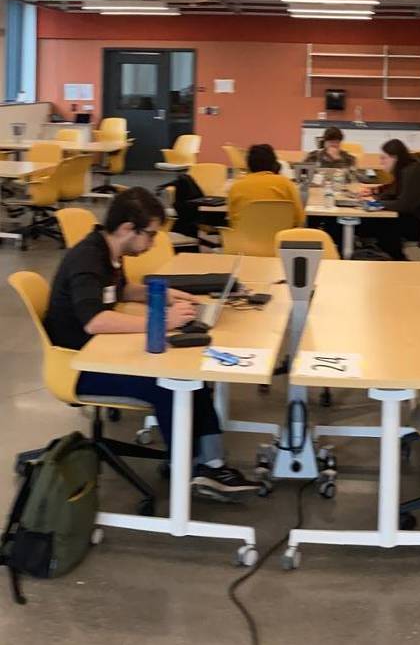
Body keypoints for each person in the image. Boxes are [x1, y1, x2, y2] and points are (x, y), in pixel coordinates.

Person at [46, 188, 264, 498]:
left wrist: (167, 296)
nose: (152, 243)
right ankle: (186, 467)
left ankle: (212, 464)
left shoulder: (108, 252)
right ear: (126, 229)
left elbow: (121, 291)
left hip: (99, 352)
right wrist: (163, 323)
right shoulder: (87, 260)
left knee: (193, 376)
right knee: (168, 383)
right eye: (149, 235)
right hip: (79, 366)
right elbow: (95, 320)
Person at [357, 139, 420, 260]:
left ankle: (400, 262)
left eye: (384, 158)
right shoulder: (409, 168)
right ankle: (391, 259)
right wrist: (375, 191)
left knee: (382, 226)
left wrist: (376, 203)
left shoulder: (413, 171)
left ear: (395, 158)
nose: (381, 162)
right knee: (377, 223)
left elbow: (404, 205)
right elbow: (395, 188)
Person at [227, 143, 304, 227]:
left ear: (248, 165)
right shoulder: (285, 183)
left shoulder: (236, 186)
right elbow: (299, 219)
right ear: (274, 164)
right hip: (280, 237)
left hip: (244, 238)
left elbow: (232, 221)